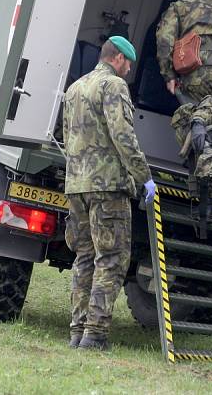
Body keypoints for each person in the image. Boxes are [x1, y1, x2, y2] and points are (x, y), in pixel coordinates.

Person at [62, 35, 157, 351]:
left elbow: (69, 140)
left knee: (85, 258)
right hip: (107, 186)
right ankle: (95, 335)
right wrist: (144, 177)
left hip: (77, 186)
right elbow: (123, 137)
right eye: (128, 63)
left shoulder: (74, 88)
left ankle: (77, 332)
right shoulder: (113, 86)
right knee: (112, 259)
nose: (129, 69)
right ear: (118, 58)